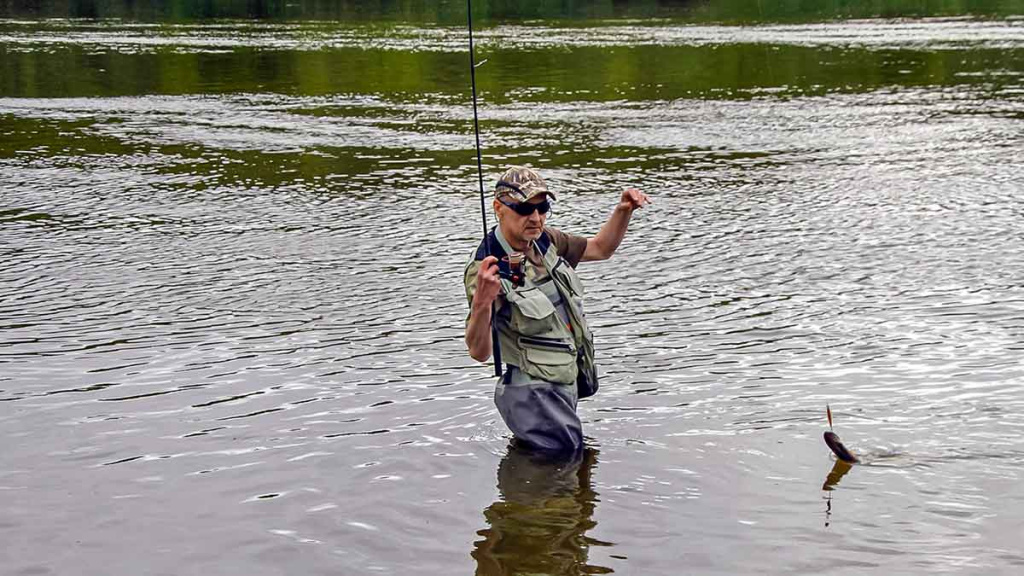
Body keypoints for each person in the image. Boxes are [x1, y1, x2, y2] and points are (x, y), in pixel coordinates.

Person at [464, 166, 649, 453]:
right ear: (498, 208)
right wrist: (482, 303)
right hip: (534, 395)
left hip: (562, 385)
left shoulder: (545, 240)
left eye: (543, 208)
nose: (535, 218)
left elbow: (600, 248)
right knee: (558, 480)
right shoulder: (486, 269)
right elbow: (479, 352)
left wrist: (623, 210)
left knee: (567, 477)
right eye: (525, 209)